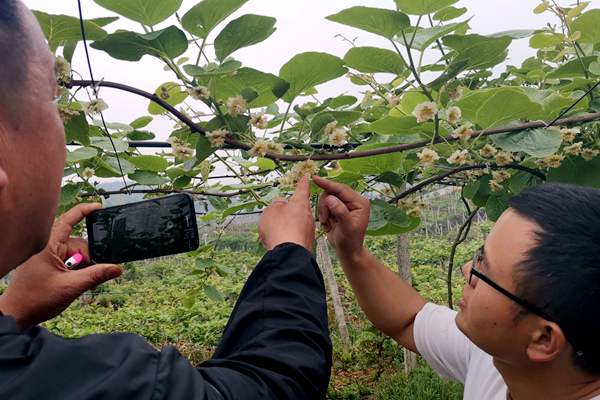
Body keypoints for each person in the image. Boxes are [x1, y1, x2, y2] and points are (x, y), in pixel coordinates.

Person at [0, 1, 331, 398]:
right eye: (53, 97)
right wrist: (291, 250)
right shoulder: (118, 387)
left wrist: (13, 311)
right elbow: (276, 388)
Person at [311, 175, 600, 400]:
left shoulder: (502, 356)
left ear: (543, 339)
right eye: (478, 254)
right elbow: (408, 320)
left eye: (483, 269)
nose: (466, 269)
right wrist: (351, 251)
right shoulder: (502, 357)